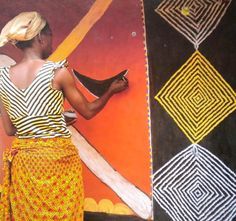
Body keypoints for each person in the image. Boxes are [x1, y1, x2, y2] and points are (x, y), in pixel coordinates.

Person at [0, 11, 128, 220]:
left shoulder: (2, 79)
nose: (52, 41)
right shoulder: (56, 72)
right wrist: (110, 91)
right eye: (50, 36)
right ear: (40, 37)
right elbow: (88, 111)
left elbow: (10, 129)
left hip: (25, 164)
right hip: (57, 162)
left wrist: (44, 119)